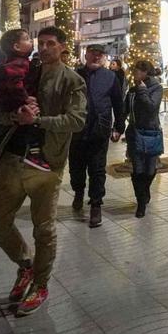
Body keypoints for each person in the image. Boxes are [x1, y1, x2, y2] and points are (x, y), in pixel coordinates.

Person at [0, 25, 87, 316]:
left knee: (44, 229)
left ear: (63, 47)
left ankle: (41, 285)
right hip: (12, 159)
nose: (43, 48)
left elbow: (77, 120)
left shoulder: (71, 80)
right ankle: (26, 266)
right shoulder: (23, 70)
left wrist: (39, 121)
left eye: (50, 43)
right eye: (40, 43)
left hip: (45, 164)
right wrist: (15, 115)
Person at [71, 44, 125, 227]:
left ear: (104, 57)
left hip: (99, 132)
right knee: (76, 169)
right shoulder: (74, 75)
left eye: (99, 55)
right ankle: (78, 192)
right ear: (85, 55)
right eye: (92, 54)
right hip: (76, 131)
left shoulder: (110, 77)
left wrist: (119, 127)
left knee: (97, 170)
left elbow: (118, 104)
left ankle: (96, 205)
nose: (95, 57)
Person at [0, 28, 51, 171]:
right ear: (16, 46)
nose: (31, 41)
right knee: (31, 127)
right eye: (26, 39)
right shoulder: (16, 64)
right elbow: (15, 85)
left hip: (12, 103)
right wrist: (25, 99)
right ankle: (33, 154)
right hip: (15, 103)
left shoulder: (22, 62)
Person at [120, 59, 163, 218]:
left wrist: (143, 91)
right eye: (134, 71)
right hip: (135, 133)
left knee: (150, 169)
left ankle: (144, 191)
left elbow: (152, 108)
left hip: (151, 133)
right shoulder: (132, 90)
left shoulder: (156, 88)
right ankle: (141, 202)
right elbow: (124, 109)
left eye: (137, 71)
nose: (134, 73)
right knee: (137, 169)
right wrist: (117, 128)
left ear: (146, 72)